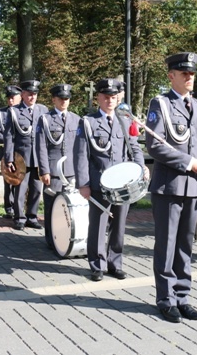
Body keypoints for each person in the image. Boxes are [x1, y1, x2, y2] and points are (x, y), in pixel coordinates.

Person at [145, 52, 197, 323]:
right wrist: (187, 162)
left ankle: (183, 296)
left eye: (192, 73)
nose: (189, 77)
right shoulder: (159, 104)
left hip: (195, 188)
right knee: (167, 244)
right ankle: (166, 299)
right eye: (183, 73)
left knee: (186, 244)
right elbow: (155, 144)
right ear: (171, 76)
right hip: (169, 187)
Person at [74, 78, 145, 282]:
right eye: (106, 97)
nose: (110, 100)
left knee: (119, 225)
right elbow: (81, 155)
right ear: (98, 98)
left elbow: (134, 147)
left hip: (123, 184)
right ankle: (97, 265)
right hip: (99, 184)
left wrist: (141, 168)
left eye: (113, 97)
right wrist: (84, 184)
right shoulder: (87, 122)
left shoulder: (124, 120)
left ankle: (116, 263)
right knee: (98, 225)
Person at [36, 84, 81, 249]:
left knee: (69, 208)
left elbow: (80, 148)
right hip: (53, 171)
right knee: (51, 207)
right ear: (54, 99)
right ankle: (50, 239)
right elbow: (40, 147)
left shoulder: (77, 119)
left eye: (66, 98)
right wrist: (44, 170)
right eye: (61, 98)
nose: (64, 101)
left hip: (71, 171)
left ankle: (65, 238)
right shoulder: (45, 120)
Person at [4, 80, 48, 230]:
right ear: (22, 95)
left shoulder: (43, 110)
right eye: (29, 94)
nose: (32, 97)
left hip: (38, 157)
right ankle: (19, 217)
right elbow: (9, 136)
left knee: (36, 189)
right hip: (21, 157)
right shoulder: (14, 111)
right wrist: (9, 158)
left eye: (34, 94)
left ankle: (32, 216)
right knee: (20, 189)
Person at [0, 85, 22, 218]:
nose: (10, 101)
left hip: (22, 153)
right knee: (8, 181)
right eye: (8, 98)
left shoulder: (24, 112)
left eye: (13, 98)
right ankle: (9, 208)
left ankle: (20, 208)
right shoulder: (1, 113)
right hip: (7, 151)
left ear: (20, 97)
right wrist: (9, 139)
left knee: (22, 182)